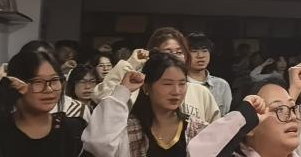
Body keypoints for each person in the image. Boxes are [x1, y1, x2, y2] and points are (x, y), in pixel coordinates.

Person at [93, 27, 221, 125]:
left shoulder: (200, 92)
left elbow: (215, 133)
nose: (174, 57)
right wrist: (130, 64)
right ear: (153, 55)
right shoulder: (140, 89)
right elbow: (102, 99)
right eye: (168, 52)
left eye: (179, 52)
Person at [187, 33, 233, 117]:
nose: (200, 56)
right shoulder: (180, 85)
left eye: (204, 51)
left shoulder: (221, 85)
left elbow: (225, 117)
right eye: (194, 51)